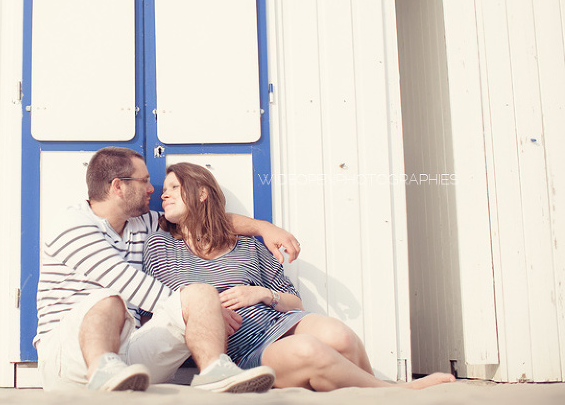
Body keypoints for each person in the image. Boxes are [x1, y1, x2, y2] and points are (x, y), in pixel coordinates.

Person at [143, 162, 457, 392]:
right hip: (240, 348)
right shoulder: (161, 245)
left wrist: (263, 294)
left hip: (275, 320)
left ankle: (371, 391)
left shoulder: (249, 244)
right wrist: (207, 313)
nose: (163, 195)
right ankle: (395, 392)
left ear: (201, 194)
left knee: (341, 337)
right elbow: (158, 306)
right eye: (164, 189)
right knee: (311, 351)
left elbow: (295, 301)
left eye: (174, 187)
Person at [34, 147, 300, 393]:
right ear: (118, 186)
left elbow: (202, 220)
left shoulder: (145, 224)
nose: (153, 189)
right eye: (144, 180)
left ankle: (214, 373)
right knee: (108, 299)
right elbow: (124, 282)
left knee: (199, 292)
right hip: (68, 355)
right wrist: (209, 312)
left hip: (129, 356)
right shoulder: (72, 223)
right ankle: (101, 370)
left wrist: (264, 228)